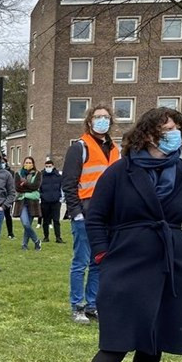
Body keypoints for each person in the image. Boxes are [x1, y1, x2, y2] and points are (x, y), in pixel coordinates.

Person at [69, 107, 182, 362]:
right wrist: (104, 255)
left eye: (180, 129)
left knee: (155, 338)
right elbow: (97, 217)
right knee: (118, 340)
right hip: (127, 262)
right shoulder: (121, 171)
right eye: (170, 129)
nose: (177, 134)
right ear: (149, 133)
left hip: (172, 265)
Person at [62, 104, 120, 324]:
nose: (102, 120)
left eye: (106, 117)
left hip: (109, 212)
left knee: (99, 261)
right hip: (86, 211)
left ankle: (92, 304)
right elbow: (69, 183)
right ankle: (77, 305)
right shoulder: (80, 147)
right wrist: (76, 212)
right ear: (89, 121)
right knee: (81, 261)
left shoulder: (115, 149)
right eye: (98, 117)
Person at [14, 156, 43, 251]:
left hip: (32, 202)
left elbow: (36, 186)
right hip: (21, 202)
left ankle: (24, 245)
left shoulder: (38, 174)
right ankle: (36, 240)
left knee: (28, 225)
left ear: (33, 164)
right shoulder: (18, 174)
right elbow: (18, 188)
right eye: (26, 162)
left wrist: (25, 184)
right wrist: (28, 188)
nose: (28, 164)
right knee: (25, 223)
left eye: (30, 162)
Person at [40, 158, 65, 243]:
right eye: (46, 166)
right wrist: (41, 197)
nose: (48, 168)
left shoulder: (58, 176)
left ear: (53, 166)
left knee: (56, 220)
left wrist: (61, 198)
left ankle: (58, 237)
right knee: (45, 220)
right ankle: (46, 237)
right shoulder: (41, 176)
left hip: (56, 201)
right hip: (44, 201)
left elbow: (61, 188)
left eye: (49, 166)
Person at [1, 154, 16, 240]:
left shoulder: (11, 173)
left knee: (8, 215)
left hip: (7, 197)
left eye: (3, 162)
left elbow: (12, 186)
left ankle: (10, 233)